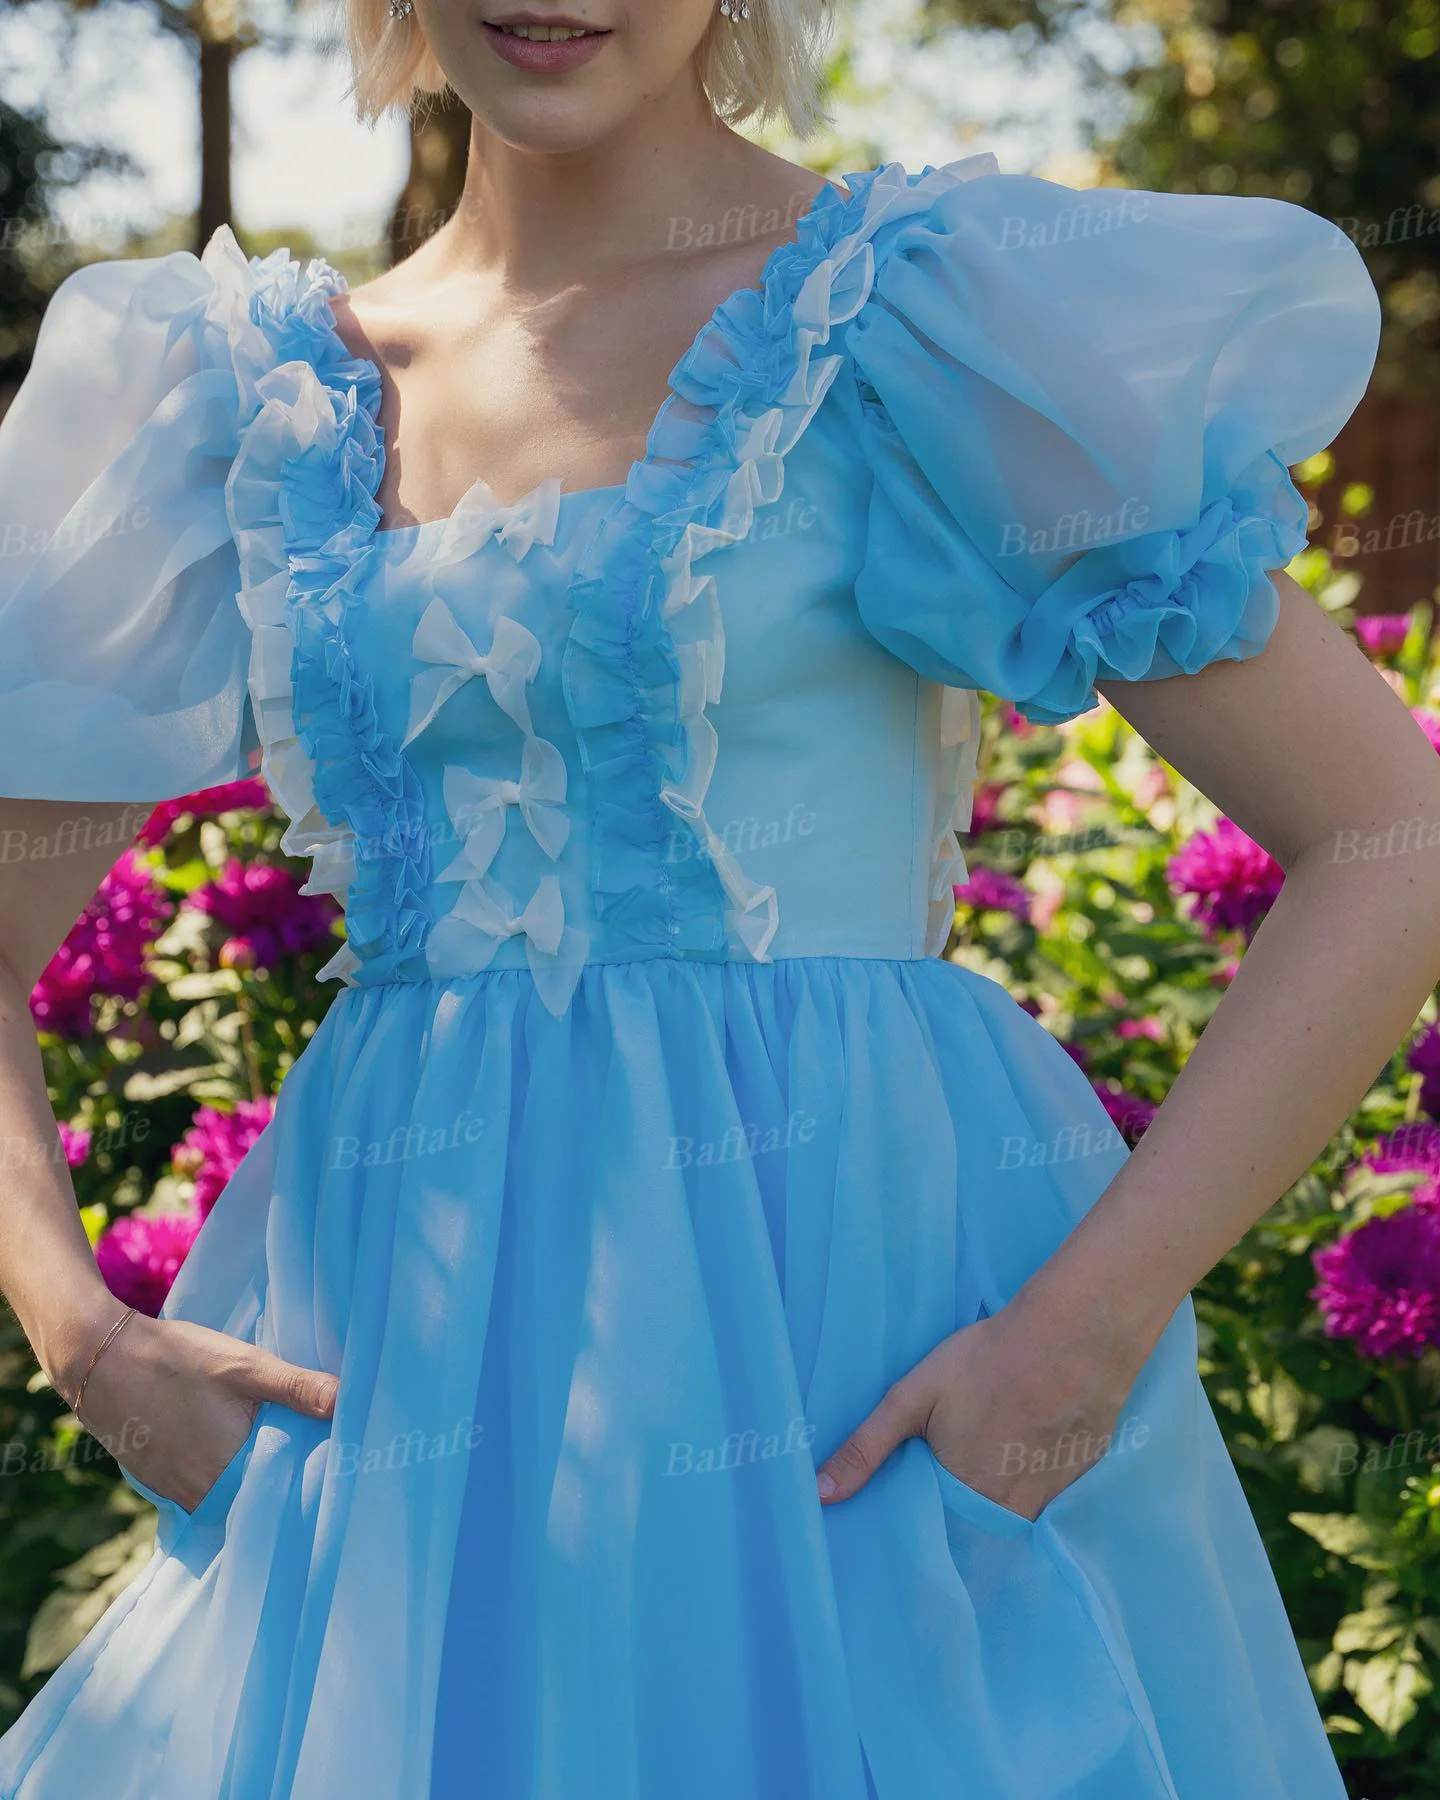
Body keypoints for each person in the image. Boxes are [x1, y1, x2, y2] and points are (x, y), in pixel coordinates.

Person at [0, 1, 1423, 1794]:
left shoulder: (913, 326)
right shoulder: (243, 396)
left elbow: (1393, 838)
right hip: (402, 1408)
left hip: (857, 1363)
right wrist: (82, 1332)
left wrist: (1081, 1338)